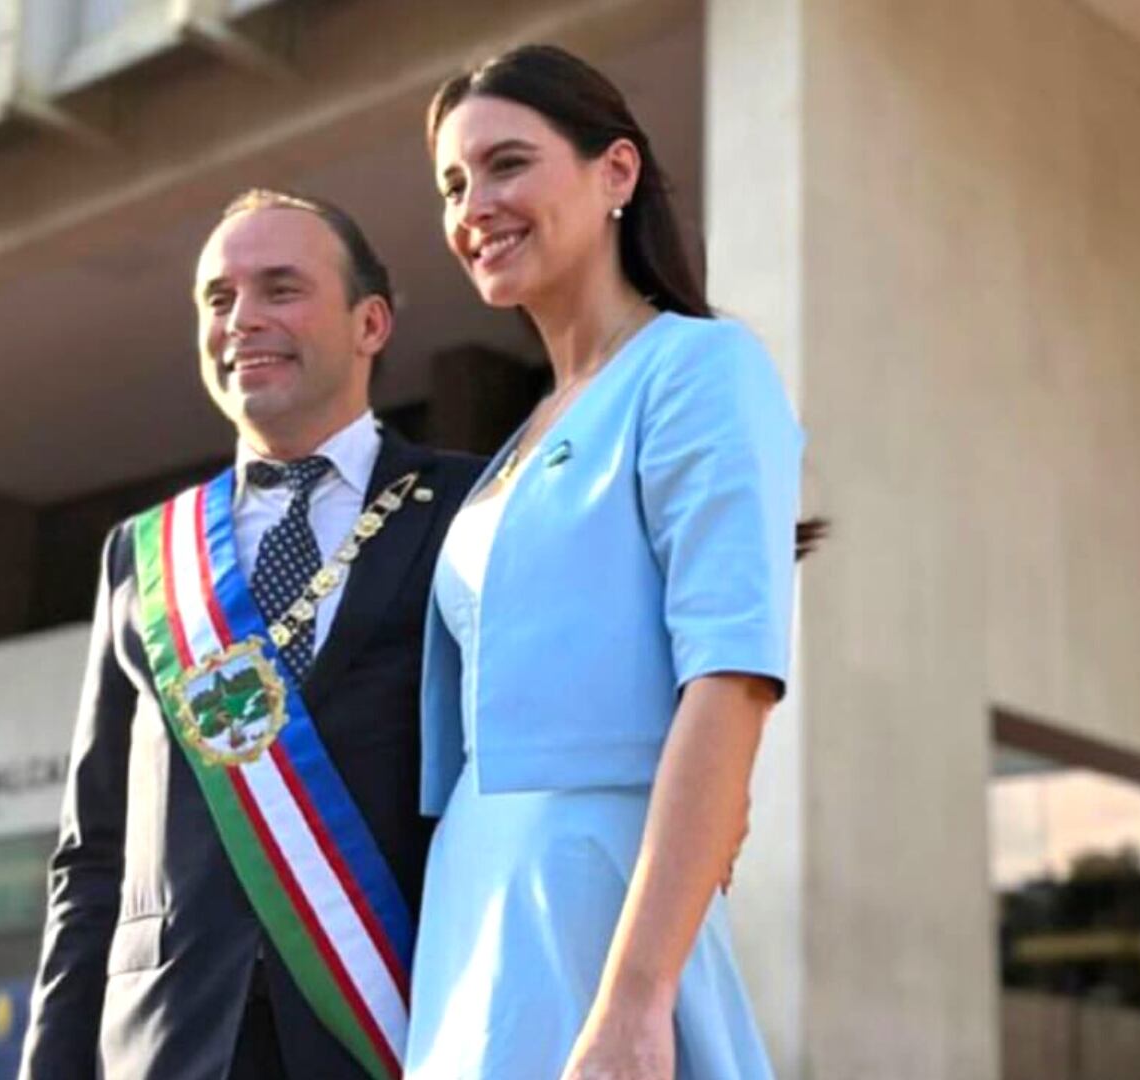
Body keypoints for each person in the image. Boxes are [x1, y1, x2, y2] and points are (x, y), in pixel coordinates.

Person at [407, 44, 808, 1079]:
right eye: (454, 183)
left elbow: (729, 682)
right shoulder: (518, 439)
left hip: (598, 913)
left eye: (506, 164)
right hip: (473, 912)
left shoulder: (698, 367)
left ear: (615, 173)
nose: (473, 207)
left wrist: (637, 1000)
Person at [20, 189, 483, 1080]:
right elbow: (94, 850)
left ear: (371, 323)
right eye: (218, 298)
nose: (243, 320)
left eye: (281, 288)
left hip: (389, 1023)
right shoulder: (145, 554)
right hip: (169, 1039)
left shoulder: (467, 507)